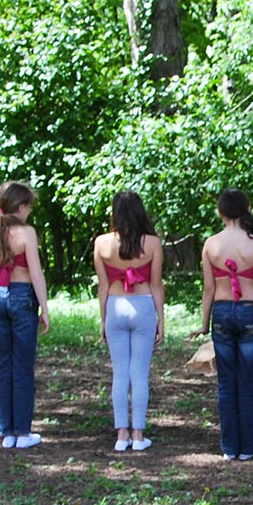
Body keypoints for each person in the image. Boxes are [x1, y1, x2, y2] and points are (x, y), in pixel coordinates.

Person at [196, 189, 253, 460]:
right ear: (246, 208)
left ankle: (229, 447)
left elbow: (208, 288)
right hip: (251, 312)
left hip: (221, 312)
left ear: (221, 212)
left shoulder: (211, 244)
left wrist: (204, 323)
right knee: (248, 383)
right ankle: (247, 447)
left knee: (226, 383)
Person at [0, 181, 50, 449]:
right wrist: (45, 309)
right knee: (23, 365)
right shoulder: (27, 233)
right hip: (22, 296)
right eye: (28, 206)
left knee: (2, 366)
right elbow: (36, 273)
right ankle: (22, 431)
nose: (29, 211)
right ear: (20, 207)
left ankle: (6, 431)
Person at [95, 190, 165, 452]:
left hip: (115, 305)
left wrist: (103, 320)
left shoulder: (101, 243)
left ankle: (121, 435)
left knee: (119, 373)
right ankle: (138, 435)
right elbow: (156, 284)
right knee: (140, 373)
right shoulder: (152, 243)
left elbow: (103, 286)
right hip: (143, 305)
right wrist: (161, 319)